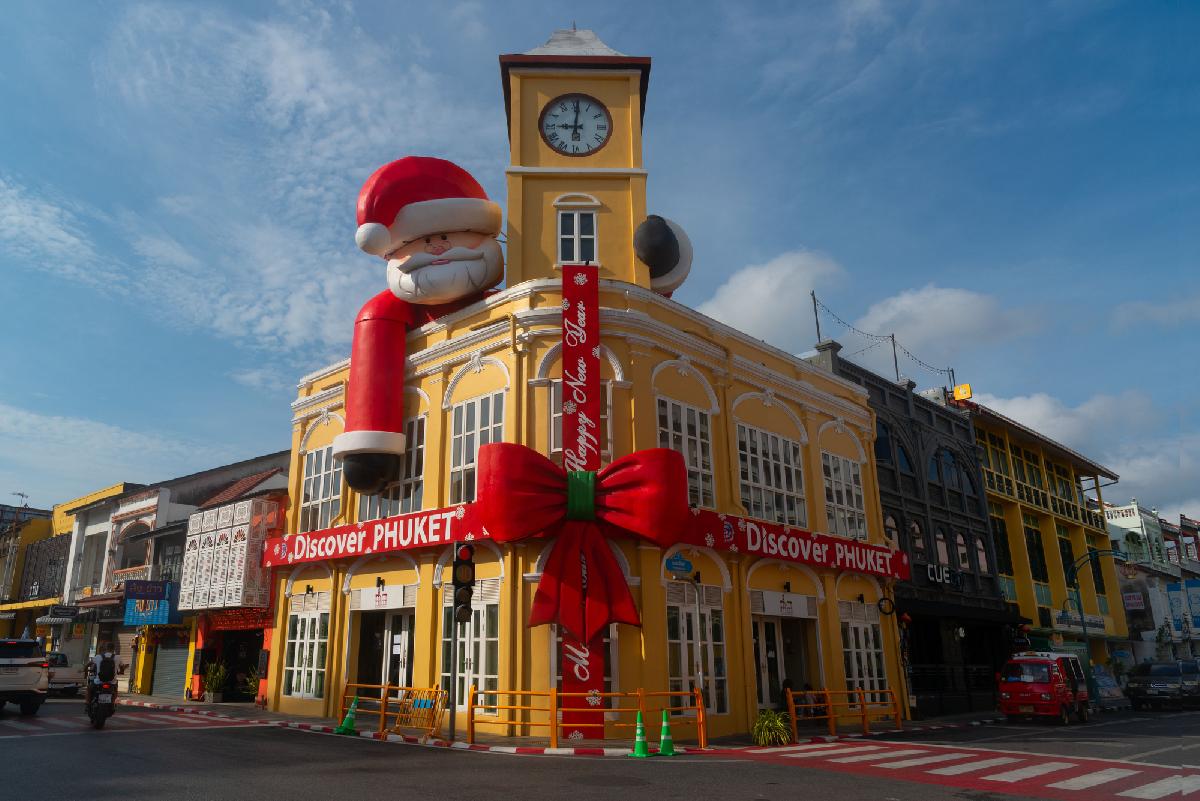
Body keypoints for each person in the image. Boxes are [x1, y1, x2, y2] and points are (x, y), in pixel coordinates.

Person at [85, 642, 117, 706]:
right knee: (115, 691)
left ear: (105, 649)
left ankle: (87, 704)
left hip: (98, 681)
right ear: (114, 649)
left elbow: (89, 664)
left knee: (89, 688)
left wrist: (85, 671)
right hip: (112, 682)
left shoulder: (98, 656)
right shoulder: (117, 657)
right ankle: (113, 703)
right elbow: (122, 667)